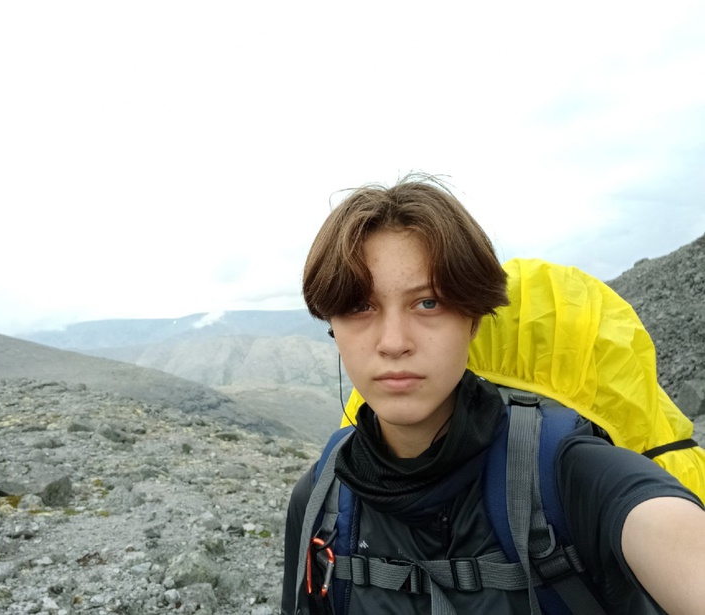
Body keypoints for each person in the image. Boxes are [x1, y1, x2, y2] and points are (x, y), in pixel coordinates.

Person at [281, 174, 705, 614]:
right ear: (333, 327)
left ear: (474, 321)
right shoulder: (319, 499)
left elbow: (666, 531)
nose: (393, 342)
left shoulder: (569, 473)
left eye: (428, 303)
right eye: (359, 306)